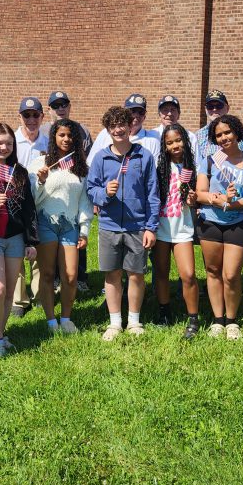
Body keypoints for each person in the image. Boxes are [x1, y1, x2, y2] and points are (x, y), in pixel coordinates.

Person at [86, 106, 160, 341]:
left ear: (131, 126)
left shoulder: (143, 156)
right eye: (113, 126)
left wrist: (151, 226)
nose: (118, 129)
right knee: (112, 275)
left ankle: (135, 321)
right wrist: (104, 193)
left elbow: (152, 194)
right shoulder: (101, 158)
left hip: (137, 226)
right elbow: (91, 189)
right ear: (108, 130)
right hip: (109, 226)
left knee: (136, 274)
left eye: (122, 124)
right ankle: (115, 322)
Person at [195, 114, 243, 339]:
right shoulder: (210, 160)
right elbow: (200, 194)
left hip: (239, 224)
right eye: (219, 135)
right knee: (213, 271)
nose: (224, 138)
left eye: (227, 132)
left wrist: (231, 204)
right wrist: (218, 199)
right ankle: (217, 319)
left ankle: (232, 321)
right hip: (210, 222)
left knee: (232, 274)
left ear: (237, 132)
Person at [0, 122, 39, 358]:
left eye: (8, 143)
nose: (4, 147)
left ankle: (0, 334)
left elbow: (28, 208)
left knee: (11, 288)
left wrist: (31, 241)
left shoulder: (19, 172)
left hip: (15, 237)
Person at [28, 119, 91, 333]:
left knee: (71, 275)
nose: (66, 139)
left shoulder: (81, 167)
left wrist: (84, 229)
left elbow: (84, 201)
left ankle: (66, 318)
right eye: (62, 135)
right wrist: (41, 181)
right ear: (54, 137)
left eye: (71, 135)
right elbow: (32, 200)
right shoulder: (41, 164)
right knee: (46, 274)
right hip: (46, 221)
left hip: (70, 224)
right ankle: (51, 321)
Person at [152, 123, 201, 340]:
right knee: (161, 273)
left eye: (178, 140)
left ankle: (193, 318)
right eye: (169, 142)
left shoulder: (193, 168)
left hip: (183, 229)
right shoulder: (159, 168)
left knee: (188, 275)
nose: (175, 145)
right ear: (164, 146)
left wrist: (194, 199)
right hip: (161, 229)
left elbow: (198, 197)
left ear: (185, 140)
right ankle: (164, 313)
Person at [46, 90, 92, 294]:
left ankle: (80, 278)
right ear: (50, 110)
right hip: (53, 194)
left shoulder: (83, 131)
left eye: (64, 104)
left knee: (77, 235)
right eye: (56, 105)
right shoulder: (44, 130)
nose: (61, 108)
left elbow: (87, 157)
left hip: (76, 183)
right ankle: (55, 278)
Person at [11, 96, 49, 318]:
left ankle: (39, 293)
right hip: (16, 203)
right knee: (16, 250)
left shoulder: (47, 143)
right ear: (20, 117)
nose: (31, 119)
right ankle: (18, 299)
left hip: (41, 201)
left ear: (42, 117)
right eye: (27, 115)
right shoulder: (12, 140)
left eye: (36, 115)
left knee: (39, 251)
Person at [87, 93, 160, 164]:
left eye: (141, 112)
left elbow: (153, 170)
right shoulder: (105, 133)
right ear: (124, 114)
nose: (136, 115)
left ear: (144, 117)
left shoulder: (152, 140)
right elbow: (90, 163)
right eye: (132, 111)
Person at [195, 90, 243, 161]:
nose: (214, 109)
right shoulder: (198, 136)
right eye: (210, 106)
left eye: (219, 106)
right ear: (205, 110)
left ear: (227, 108)